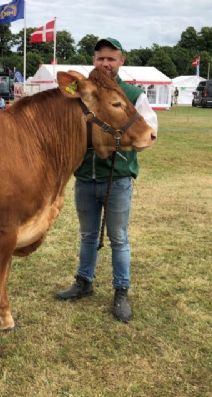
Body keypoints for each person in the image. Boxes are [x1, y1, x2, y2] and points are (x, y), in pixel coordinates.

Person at [55, 38, 158, 323]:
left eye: (111, 59)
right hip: (86, 176)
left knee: (119, 238)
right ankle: (84, 282)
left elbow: (149, 133)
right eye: (101, 58)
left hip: (118, 177)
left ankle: (120, 291)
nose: (106, 64)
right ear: (94, 60)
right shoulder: (83, 94)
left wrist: (116, 143)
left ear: (121, 61)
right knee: (88, 235)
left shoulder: (133, 93)